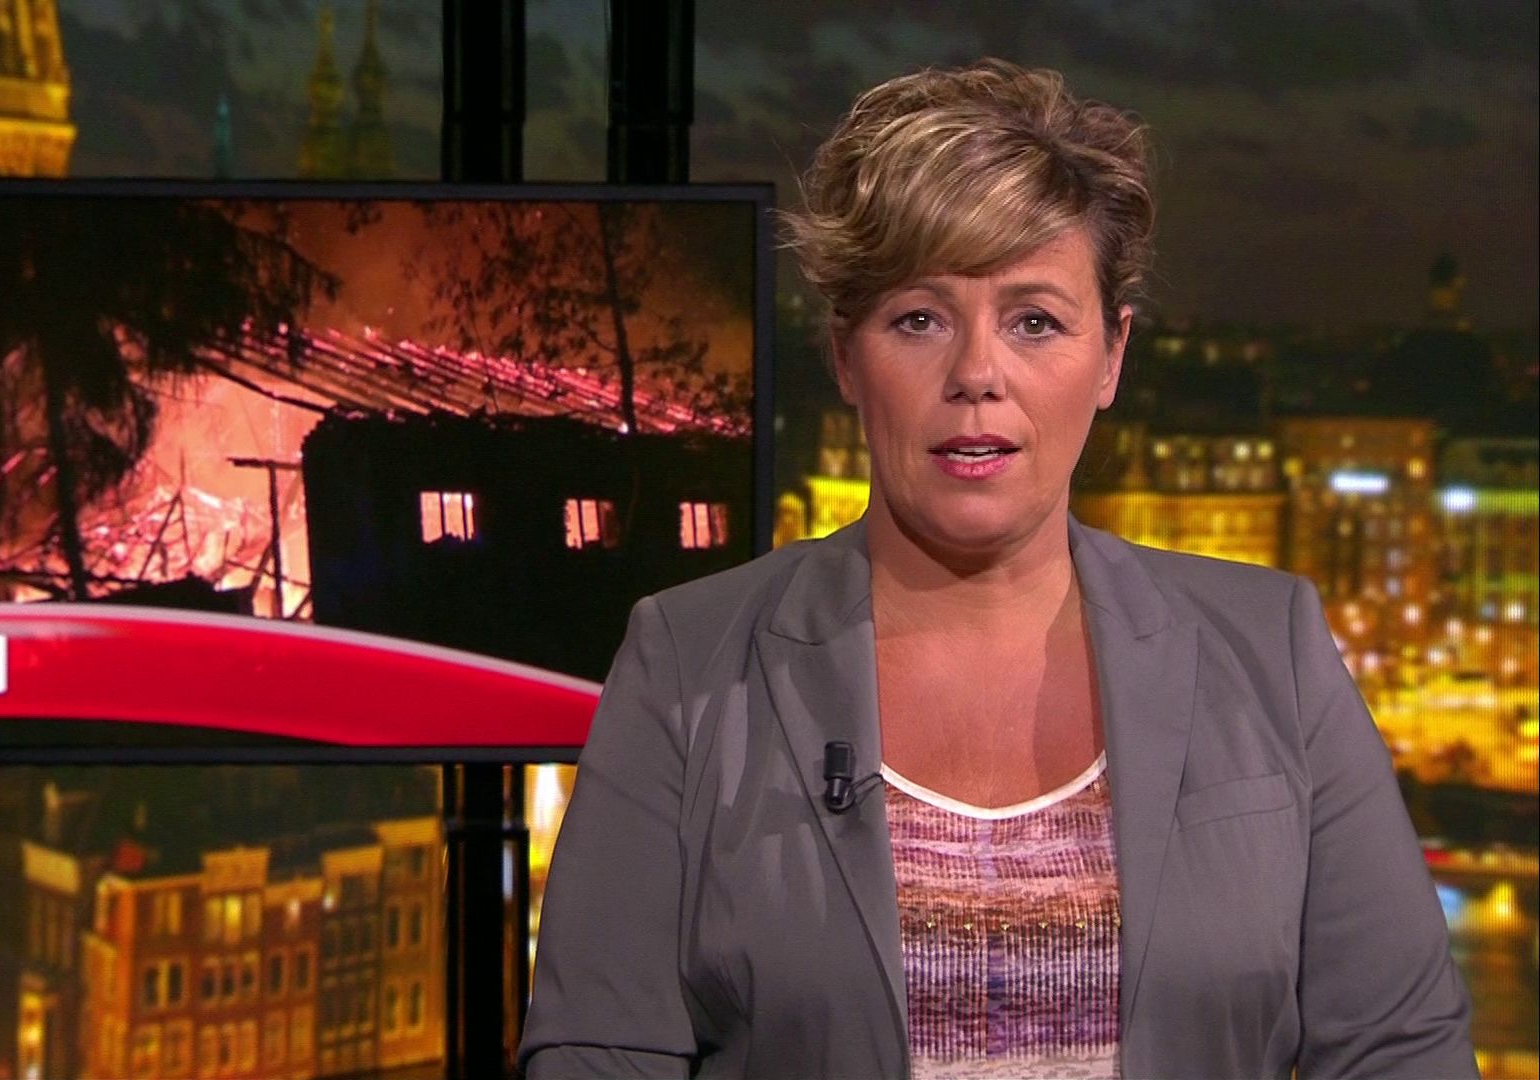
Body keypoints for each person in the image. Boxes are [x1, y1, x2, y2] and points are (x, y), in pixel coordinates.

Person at [517, 59, 1476, 1080]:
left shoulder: (1273, 649)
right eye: (918, 319)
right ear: (845, 357)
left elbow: (1400, 1052)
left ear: (1112, 356)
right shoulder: (686, 663)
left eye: (1034, 321)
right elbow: (599, 1056)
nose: (977, 374)